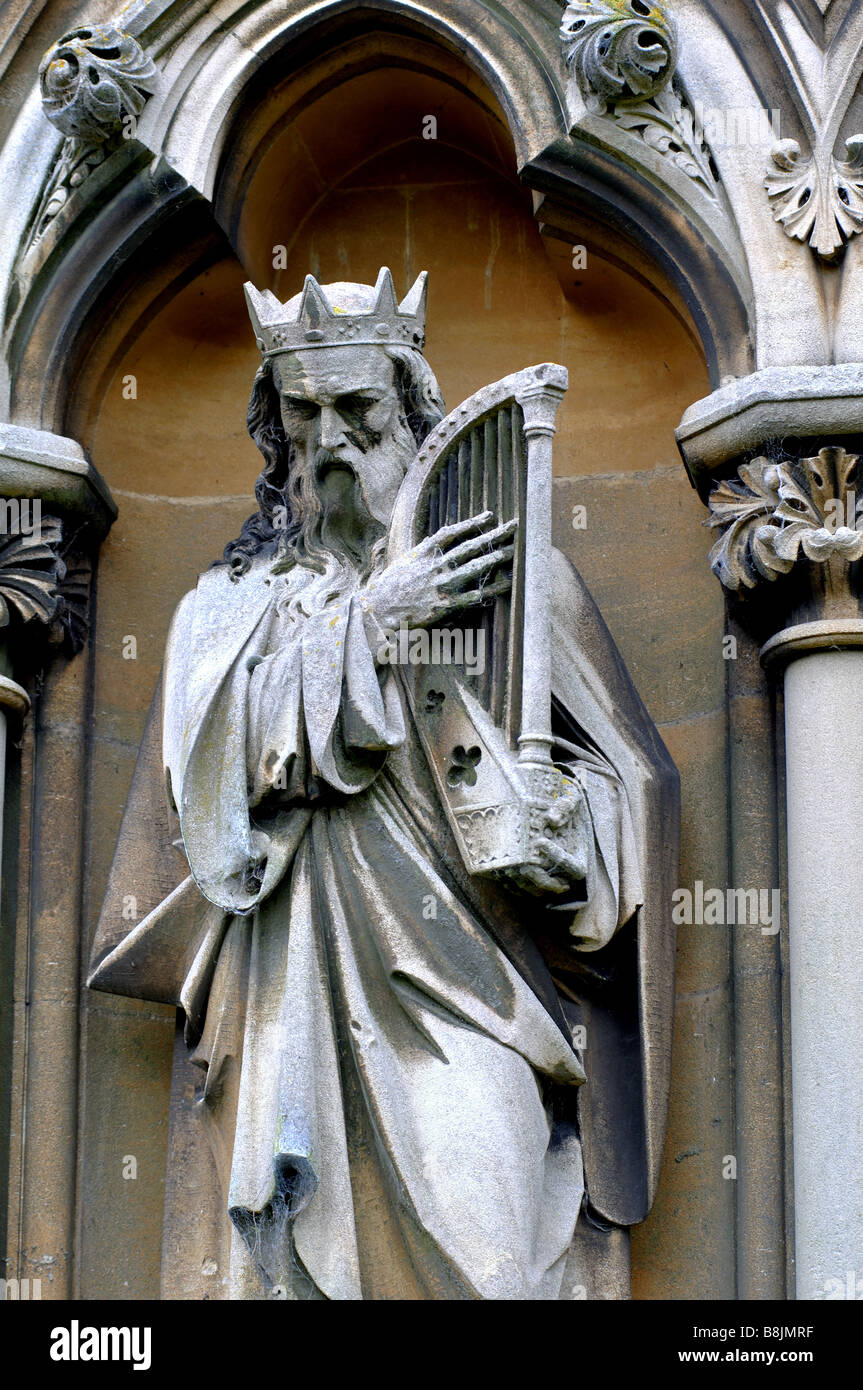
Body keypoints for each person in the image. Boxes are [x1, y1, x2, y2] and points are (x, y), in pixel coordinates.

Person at [90, 269, 678, 1300]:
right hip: (292, 999)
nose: (330, 441)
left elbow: (623, 794)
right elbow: (210, 791)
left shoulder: (514, 580)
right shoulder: (226, 612)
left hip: (473, 997)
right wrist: (373, 625)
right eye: (301, 414)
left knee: (492, 1259)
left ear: (413, 413)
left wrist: (564, 837)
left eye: (356, 408)